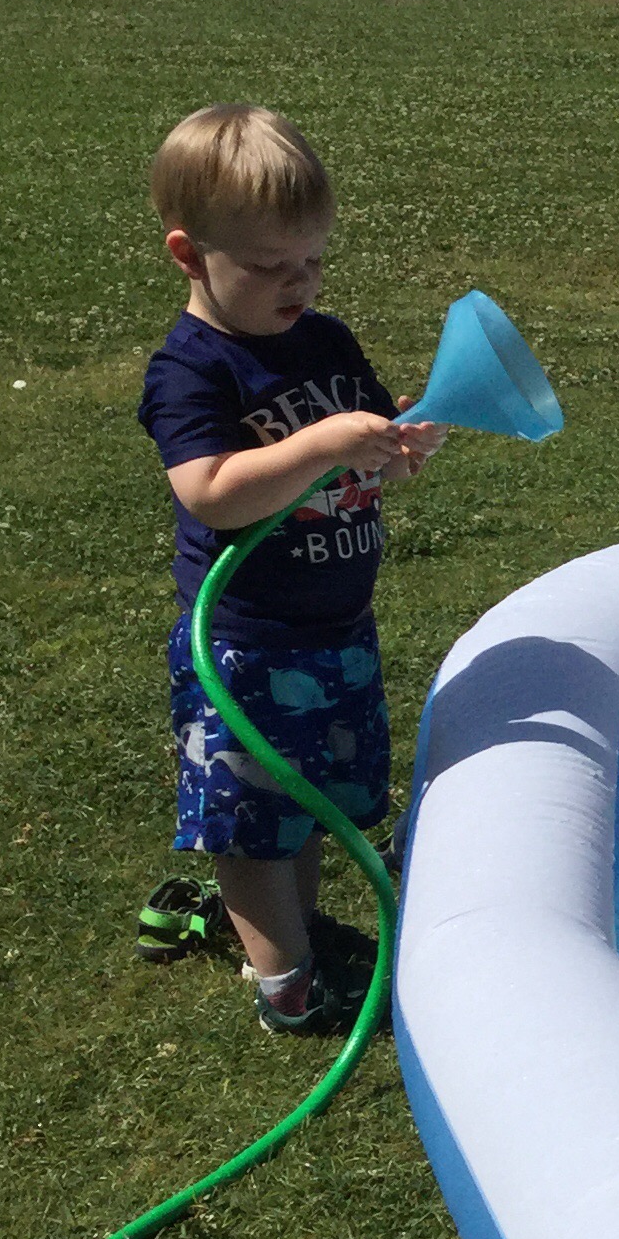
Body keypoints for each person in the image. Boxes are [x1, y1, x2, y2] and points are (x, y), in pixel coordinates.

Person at [138, 105, 441, 1034]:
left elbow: (359, 452)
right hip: (250, 644)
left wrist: (394, 448)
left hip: (337, 628)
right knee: (253, 825)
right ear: (190, 255)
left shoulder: (324, 339)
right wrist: (322, 445)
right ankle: (287, 988)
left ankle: (292, 939)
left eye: (313, 258)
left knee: (306, 805)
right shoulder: (193, 370)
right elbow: (212, 492)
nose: (299, 282)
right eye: (272, 265)